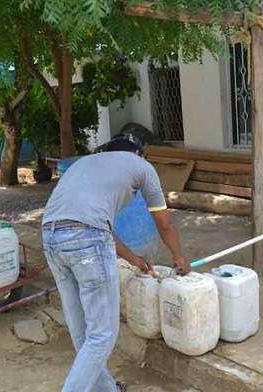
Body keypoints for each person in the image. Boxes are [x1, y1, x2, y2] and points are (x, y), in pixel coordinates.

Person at [42, 136, 189, 392]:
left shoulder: (84, 164)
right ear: (137, 153)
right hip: (87, 242)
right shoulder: (142, 166)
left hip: (51, 237)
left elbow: (97, 226)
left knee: (83, 332)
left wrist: (133, 259)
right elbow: (164, 223)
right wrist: (179, 257)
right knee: (102, 336)